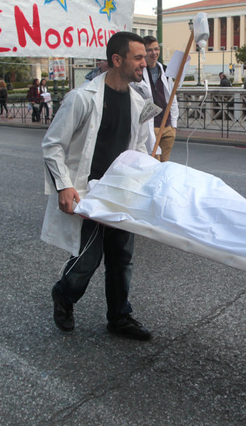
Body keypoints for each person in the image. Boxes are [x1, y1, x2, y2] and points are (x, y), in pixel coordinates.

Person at [43, 32, 154, 341]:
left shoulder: (138, 101)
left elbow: (141, 147)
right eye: (138, 57)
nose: (145, 63)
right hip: (88, 192)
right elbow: (52, 145)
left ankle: (119, 316)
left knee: (121, 258)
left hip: (120, 192)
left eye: (145, 57)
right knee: (88, 259)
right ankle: (64, 295)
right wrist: (64, 186)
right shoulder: (81, 98)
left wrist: (148, 175)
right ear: (117, 60)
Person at [136, 36, 178, 162]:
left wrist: (174, 126)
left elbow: (172, 96)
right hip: (150, 126)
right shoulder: (138, 73)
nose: (154, 53)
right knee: (153, 164)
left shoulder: (165, 71)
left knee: (165, 165)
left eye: (156, 49)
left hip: (167, 126)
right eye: (149, 50)